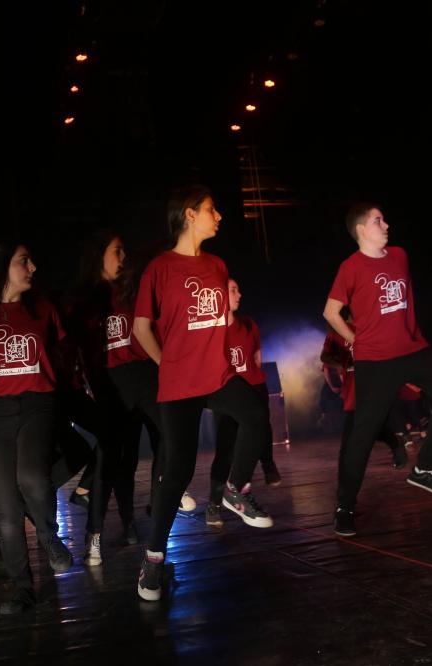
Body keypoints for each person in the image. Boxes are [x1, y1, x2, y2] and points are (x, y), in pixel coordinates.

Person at [133, 185, 273, 601]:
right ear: (190, 214)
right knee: (177, 472)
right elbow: (141, 328)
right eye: (212, 209)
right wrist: (168, 364)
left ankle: (234, 490)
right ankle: (153, 558)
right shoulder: (159, 268)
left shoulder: (216, 265)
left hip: (218, 374)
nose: (219, 216)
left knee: (255, 414)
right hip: (180, 383)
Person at [323, 203, 432, 537]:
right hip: (376, 361)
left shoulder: (399, 255)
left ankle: (424, 468)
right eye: (378, 221)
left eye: (384, 219)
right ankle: (345, 508)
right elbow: (330, 312)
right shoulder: (350, 267)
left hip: (413, 350)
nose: (386, 225)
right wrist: (355, 340)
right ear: (361, 229)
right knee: (362, 435)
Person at [0, 241, 73, 615]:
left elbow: (59, 356)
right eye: (24, 261)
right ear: (2, 267)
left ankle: (49, 535)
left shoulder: (43, 309)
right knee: (5, 507)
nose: (33, 267)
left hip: (37, 403)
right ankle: (22, 587)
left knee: (32, 478)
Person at [205, 277, 282, 527]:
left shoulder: (248, 324)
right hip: (227, 394)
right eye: (233, 290)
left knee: (259, 430)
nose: (239, 295)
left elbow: (256, 358)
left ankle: (263, 469)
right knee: (225, 450)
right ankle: (215, 504)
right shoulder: (211, 330)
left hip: (253, 387)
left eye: (238, 289)